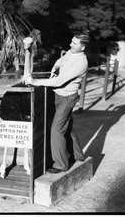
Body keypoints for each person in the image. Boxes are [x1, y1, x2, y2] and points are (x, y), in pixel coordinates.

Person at [25, 34, 90, 173]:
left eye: (75, 43)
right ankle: (78, 155)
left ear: (82, 47)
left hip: (67, 99)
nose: (71, 45)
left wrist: (35, 82)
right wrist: (54, 68)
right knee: (68, 126)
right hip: (60, 96)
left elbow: (60, 81)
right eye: (71, 41)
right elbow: (60, 61)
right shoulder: (71, 53)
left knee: (57, 129)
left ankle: (60, 165)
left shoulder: (81, 62)